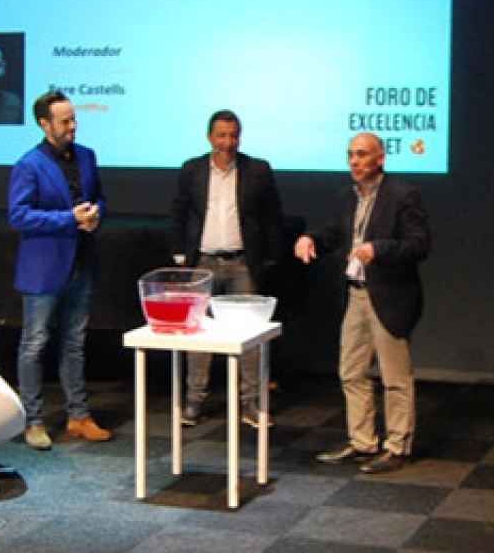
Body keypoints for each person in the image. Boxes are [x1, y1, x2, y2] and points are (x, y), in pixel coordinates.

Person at [294, 132, 431, 474]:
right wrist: (310, 238)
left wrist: (378, 249)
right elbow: (333, 235)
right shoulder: (347, 197)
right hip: (356, 293)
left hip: (389, 294)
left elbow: (419, 245)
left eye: (362, 155)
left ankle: (398, 446)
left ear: (380, 158)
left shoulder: (402, 195)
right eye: (350, 155)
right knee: (351, 371)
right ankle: (363, 441)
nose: (354, 161)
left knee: (395, 376)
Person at [8, 90, 112, 448]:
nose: (72, 126)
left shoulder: (87, 156)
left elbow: (99, 197)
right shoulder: (29, 164)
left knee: (74, 343)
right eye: (65, 121)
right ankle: (32, 420)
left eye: (73, 119)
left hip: (82, 262)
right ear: (44, 124)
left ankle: (78, 416)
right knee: (34, 344)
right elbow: (19, 215)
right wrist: (69, 219)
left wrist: (96, 214)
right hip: (44, 270)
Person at [169, 110, 284, 426]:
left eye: (233, 135)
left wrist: (271, 258)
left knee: (249, 336)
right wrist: (179, 255)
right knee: (198, 336)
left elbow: (272, 217)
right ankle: (194, 402)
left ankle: (252, 404)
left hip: (241, 262)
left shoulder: (257, 170)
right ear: (210, 137)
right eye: (221, 135)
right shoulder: (192, 170)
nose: (228, 142)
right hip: (202, 263)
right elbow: (179, 213)